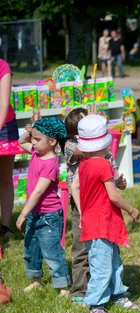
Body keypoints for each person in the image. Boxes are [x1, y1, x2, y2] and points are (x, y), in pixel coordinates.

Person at [77, 115, 140, 313]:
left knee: (113, 261)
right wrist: (131, 209)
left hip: (97, 222)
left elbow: (100, 186)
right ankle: (96, 303)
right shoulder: (103, 164)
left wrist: (116, 182)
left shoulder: (84, 164)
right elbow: (113, 196)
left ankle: (117, 294)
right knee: (102, 266)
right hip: (100, 223)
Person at [63, 107, 127, 305]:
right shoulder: (71, 146)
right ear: (77, 133)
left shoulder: (104, 155)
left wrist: (118, 182)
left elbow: (109, 179)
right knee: (82, 250)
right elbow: (86, 150)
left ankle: (112, 291)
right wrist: (95, 127)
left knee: (108, 249)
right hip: (82, 206)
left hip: (104, 205)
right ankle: (80, 292)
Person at [17, 117, 71, 296]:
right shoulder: (35, 152)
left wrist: (23, 213)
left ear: (52, 141)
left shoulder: (50, 163)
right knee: (31, 248)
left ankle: (62, 285)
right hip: (35, 212)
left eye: (37, 139)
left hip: (49, 216)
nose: (32, 141)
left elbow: (39, 192)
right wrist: (29, 132)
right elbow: (21, 141)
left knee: (52, 251)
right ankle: (35, 280)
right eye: (33, 138)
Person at [0, 57, 17, 239]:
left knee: (5, 179)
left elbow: (4, 104)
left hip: (5, 128)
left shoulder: (2, 66)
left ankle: (5, 227)